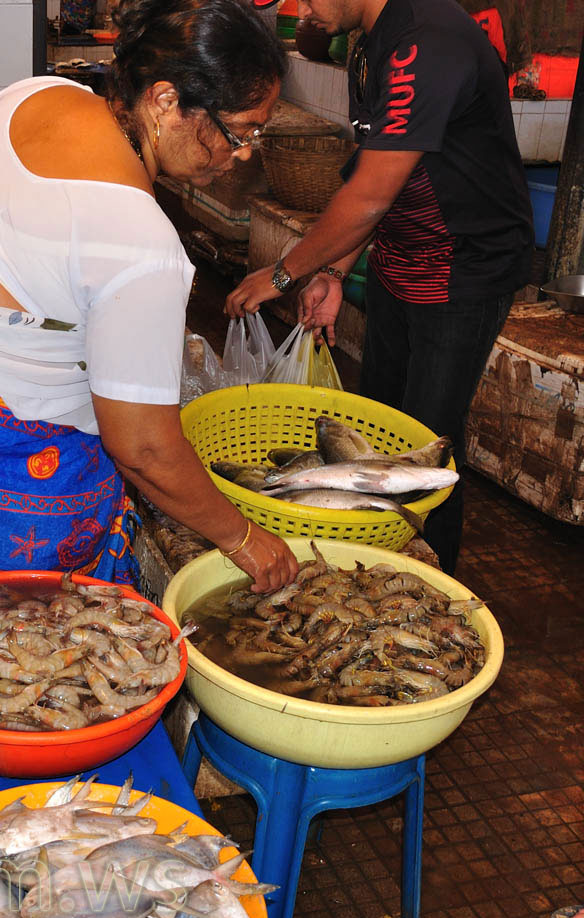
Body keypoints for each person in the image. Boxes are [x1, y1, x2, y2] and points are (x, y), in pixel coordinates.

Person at [0, 0, 298, 633]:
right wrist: (244, 540)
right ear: (165, 100)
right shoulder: (141, 244)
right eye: (239, 133)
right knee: (0, 669)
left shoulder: (35, 97)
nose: (241, 156)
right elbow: (145, 448)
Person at [226, 0, 533, 574]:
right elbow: (377, 179)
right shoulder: (374, 44)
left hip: (462, 272)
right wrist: (336, 272)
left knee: (428, 451)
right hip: (400, 261)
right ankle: (374, 565)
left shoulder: (428, 42)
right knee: (377, 434)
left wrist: (282, 274)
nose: (305, 10)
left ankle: (431, 582)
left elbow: (369, 195)